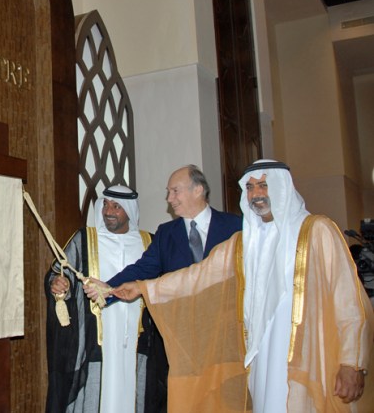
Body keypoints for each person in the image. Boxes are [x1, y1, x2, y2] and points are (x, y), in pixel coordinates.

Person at [111, 160, 374, 412]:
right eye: (249, 188)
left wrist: (353, 362)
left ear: (282, 187)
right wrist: (143, 287)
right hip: (259, 357)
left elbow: (349, 300)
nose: (256, 194)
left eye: (263, 185)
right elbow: (195, 277)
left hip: (307, 356)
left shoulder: (317, 231)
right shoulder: (243, 242)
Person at [84, 165, 241, 412]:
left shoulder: (235, 227)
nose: (169, 199)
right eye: (168, 192)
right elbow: (143, 268)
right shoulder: (166, 233)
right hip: (181, 338)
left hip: (226, 335)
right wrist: (109, 288)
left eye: (175, 191)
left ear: (198, 190)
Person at [45, 185, 152, 413]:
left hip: (137, 336)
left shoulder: (149, 243)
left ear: (130, 211)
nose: (108, 211)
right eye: (105, 204)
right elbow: (60, 272)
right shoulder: (84, 239)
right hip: (97, 337)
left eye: (116, 206)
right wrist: (58, 285)